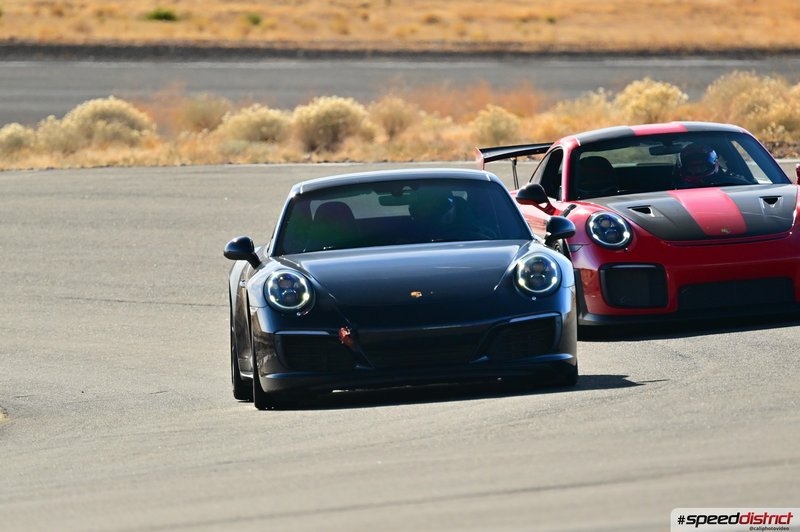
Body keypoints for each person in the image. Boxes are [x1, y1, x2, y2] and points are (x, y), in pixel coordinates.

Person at [674, 143, 752, 189]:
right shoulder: (676, 189)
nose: (698, 171)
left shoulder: (735, 183)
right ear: (684, 169)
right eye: (693, 168)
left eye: (702, 167)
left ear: (714, 165)